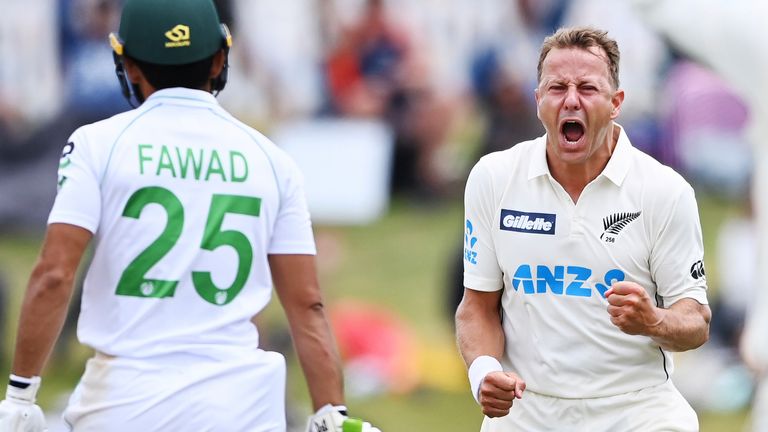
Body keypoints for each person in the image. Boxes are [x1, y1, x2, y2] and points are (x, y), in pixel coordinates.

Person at [0, 1, 380, 431]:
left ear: (128, 65)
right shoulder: (273, 160)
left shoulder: (97, 144)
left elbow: (54, 274)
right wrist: (332, 412)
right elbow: (307, 305)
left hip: (124, 404)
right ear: (219, 59)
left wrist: (20, 395)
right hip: (242, 410)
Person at [455, 26, 711, 431]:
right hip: (528, 412)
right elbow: (477, 307)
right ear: (538, 101)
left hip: (637, 411)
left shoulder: (664, 190)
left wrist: (653, 321)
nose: (571, 100)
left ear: (615, 103)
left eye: (588, 88)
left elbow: (695, 321)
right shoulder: (494, 177)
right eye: (557, 88)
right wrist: (484, 372)